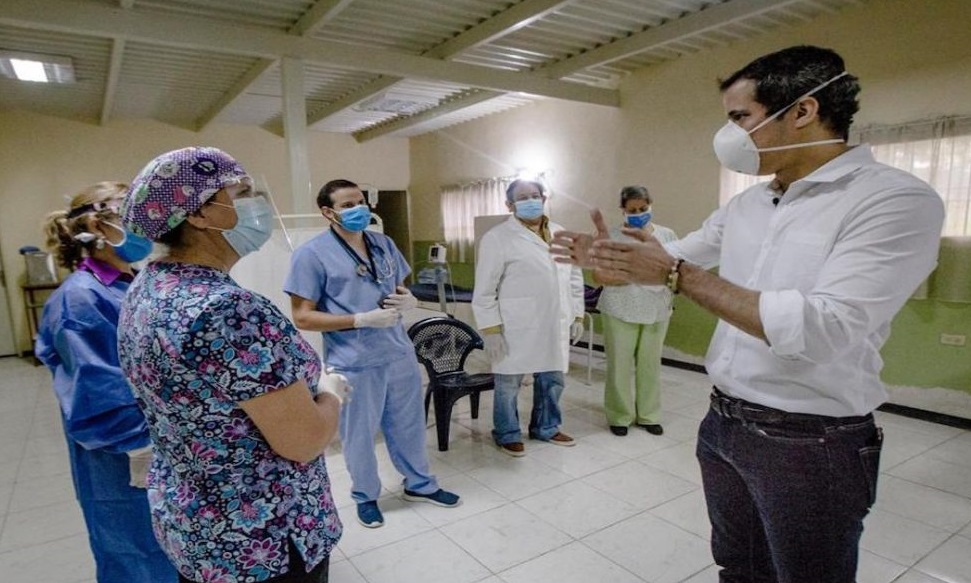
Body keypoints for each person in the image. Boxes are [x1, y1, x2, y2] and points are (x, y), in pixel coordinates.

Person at [550, 46, 945, 582]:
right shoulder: (748, 204)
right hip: (724, 423)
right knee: (739, 568)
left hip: (810, 441)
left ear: (802, 111)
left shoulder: (891, 200)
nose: (729, 134)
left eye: (740, 117)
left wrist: (671, 274)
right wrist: (613, 259)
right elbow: (678, 256)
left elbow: (824, 326)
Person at [117, 147, 346, 583]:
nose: (255, 202)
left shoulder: (148, 288)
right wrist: (331, 392)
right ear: (200, 215)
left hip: (198, 529)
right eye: (240, 192)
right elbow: (302, 441)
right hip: (261, 538)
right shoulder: (229, 310)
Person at [284, 179, 460, 529]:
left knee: (409, 426)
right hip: (354, 360)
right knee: (359, 434)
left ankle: (420, 484)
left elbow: (398, 285)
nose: (358, 209)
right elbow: (302, 316)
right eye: (348, 205)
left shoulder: (383, 243)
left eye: (361, 201)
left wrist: (407, 299)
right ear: (328, 212)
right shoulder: (311, 254)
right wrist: (359, 319)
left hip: (397, 353)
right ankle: (365, 495)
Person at [35, 182, 177, 583]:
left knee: (167, 555)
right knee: (138, 560)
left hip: (158, 449)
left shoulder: (128, 283)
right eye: (134, 213)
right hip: (124, 460)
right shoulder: (80, 299)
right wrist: (144, 448)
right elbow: (98, 397)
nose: (148, 224)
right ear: (98, 225)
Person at [472, 178, 585, 457]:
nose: (530, 201)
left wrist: (578, 314)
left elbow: (574, 277)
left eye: (535, 195)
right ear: (509, 205)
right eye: (523, 197)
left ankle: (546, 427)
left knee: (553, 378)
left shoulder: (561, 234)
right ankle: (507, 432)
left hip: (555, 319)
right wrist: (491, 329)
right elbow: (485, 289)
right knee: (508, 382)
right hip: (515, 324)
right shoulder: (497, 237)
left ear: (544, 199)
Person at [594, 186, 677, 437]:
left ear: (651, 205)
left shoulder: (667, 235)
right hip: (620, 306)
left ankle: (649, 415)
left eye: (643, 209)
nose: (639, 214)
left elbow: (675, 270)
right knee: (619, 364)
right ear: (623, 210)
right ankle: (619, 416)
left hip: (657, 308)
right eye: (633, 210)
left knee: (650, 364)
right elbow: (598, 275)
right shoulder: (611, 236)